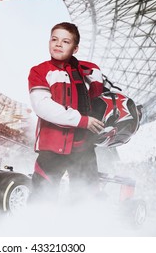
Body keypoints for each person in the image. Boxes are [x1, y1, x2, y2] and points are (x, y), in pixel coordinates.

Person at [28, 22, 105, 204]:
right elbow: (43, 106)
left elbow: (94, 73)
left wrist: (96, 81)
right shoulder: (40, 71)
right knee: (41, 201)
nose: (58, 44)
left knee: (85, 202)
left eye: (65, 41)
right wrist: (81, 120)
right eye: (54, 39)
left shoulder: (81, 70)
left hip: (84, 149)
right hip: (53, 149)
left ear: (75, 48)